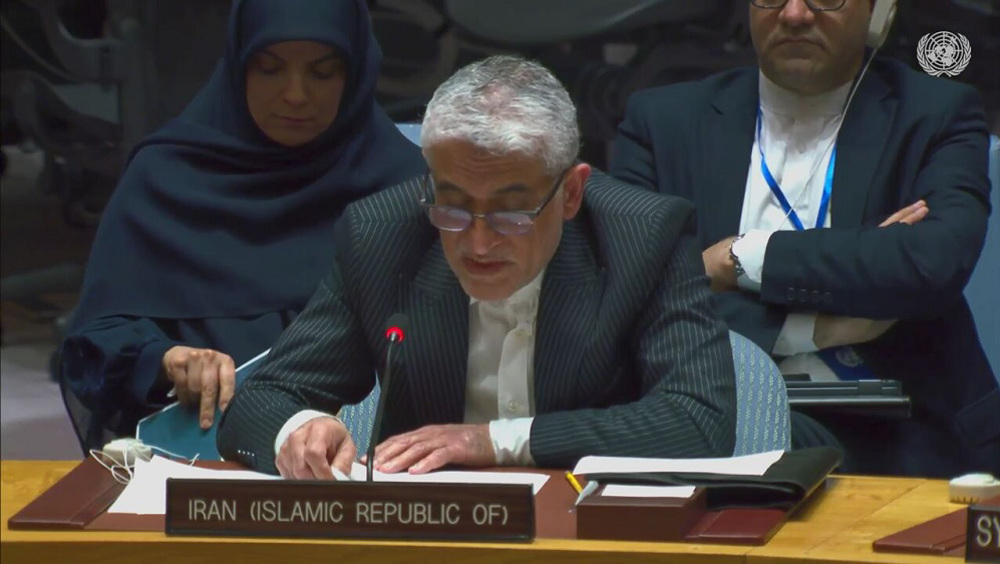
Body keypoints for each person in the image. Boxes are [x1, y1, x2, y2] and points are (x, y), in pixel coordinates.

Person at [217, 55, 737, 478]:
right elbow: (264, 397)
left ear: (571, 192)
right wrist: (299, 430)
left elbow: (697, 419)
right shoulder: (381, 235)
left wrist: (492, 442)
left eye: (512, 212)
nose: (479, 241)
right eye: (454, 206)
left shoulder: (642, 237)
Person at [609, 0, 999, 477]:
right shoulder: (662, 121)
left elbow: (929, 263)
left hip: (899, 429)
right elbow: (629, 298)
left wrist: (736, 258)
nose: (794, 14)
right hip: (711, 414)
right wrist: (824, 325)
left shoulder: (936, 113)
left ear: (877, 10)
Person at [58, 0, 425, 452]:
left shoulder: (405, 187)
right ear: (238, 67)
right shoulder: (167, 177)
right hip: (203, 457)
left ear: (355, 74)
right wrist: (166, 359)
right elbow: (92, 343)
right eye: (269, 69)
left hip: (372, 460)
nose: (295, 94)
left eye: (322, 73)